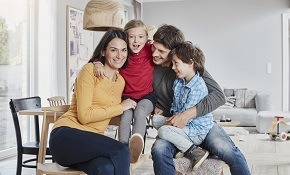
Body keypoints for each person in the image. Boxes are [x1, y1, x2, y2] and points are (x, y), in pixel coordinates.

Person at [151, 24, 251, 175]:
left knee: (225, 149)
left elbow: (218, 96)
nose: (154, 54)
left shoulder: (189, 67)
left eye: (161, 51)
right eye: (154, 48)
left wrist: (186, 115)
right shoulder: (149, 63)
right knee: (159, 150)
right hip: (171, 122)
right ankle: (192, 150)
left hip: (199, 123)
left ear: (174, 53)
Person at [49, 28, 136, 175]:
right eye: (114, 50)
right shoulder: (89, 70)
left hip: (91, 144)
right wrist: (120, 107)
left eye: (124, 50)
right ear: (103, 52)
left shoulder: (120, 81)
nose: (119, 55)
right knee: (121, 150)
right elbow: (84, 116)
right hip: (65, 137)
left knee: (105, 168)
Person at [93, 19, 156, 163]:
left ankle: (136, 145)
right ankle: (123, 148)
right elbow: (100, 55)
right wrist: (97, 64)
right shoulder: (122, 53)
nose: (136, 41)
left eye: (140, 36)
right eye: (131, 36)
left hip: (147, 96)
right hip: (127, 97)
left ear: (147, 38)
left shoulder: (149, 50)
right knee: (126, 116)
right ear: (125, 38)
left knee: (140, 111)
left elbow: (164, 54)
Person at [156, 41, 213, 171]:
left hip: (196, 130)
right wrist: (168, 120)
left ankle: (196, 151)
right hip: (183, 125)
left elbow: (185, 118)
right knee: (156, 120)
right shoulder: (179, 81)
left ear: (190, 63)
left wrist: (168, 126)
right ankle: (182, 145)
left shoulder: (197, 87)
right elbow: (176, 108)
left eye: (176, 63)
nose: (173, 67)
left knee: (163, 131)